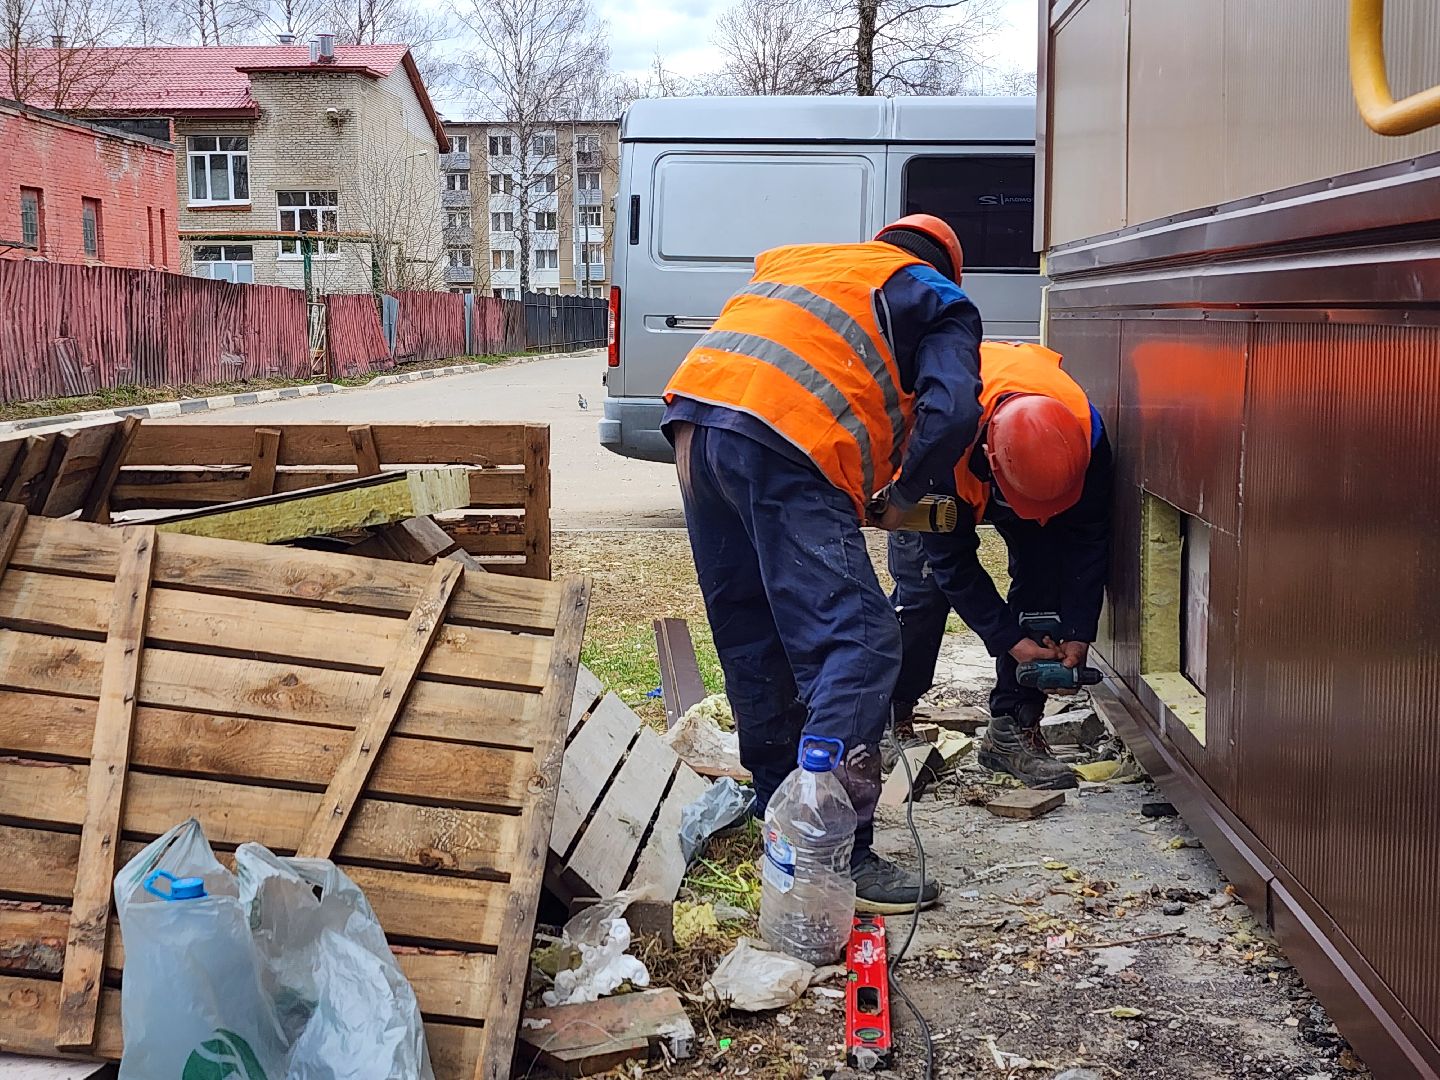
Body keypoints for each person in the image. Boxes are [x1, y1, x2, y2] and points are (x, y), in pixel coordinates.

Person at [662, 215, 985, 913]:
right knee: (862, 642)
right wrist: (906, 492)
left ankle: (777, 810)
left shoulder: (811, 264)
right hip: (786, 433)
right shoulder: (936, 295)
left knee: (755, 632)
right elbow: (954, 410)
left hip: (695, 423)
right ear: (944, 268)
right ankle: (831, 851)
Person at [889, 341, 1112, 790]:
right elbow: (951, 562)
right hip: (933, 474)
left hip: (1025, 463)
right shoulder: (937, 445)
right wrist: (1008, 639)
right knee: (924, 590)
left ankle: (1013, 728)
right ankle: (890, 719)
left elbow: (1088, 540)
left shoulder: (1086, 437)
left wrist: (1078, 630)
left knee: (1043, 577)